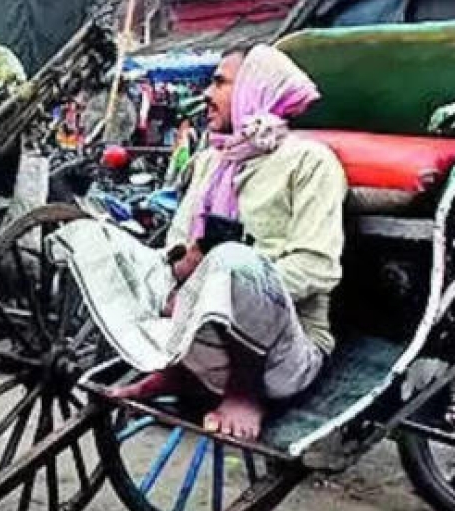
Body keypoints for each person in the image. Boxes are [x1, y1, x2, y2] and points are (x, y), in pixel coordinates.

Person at [56, 44, 347, 440]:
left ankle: (242, 392)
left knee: (230, 259)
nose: (207, 94)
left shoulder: (310, 161)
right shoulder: (212, 159)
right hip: (194, 339)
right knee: (102, 239)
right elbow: (176, 247)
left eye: (220, 83)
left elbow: (317, 266)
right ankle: (179, 371)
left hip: (280, 360)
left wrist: (210, 289)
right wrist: (181, 268)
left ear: (255, 89)